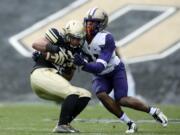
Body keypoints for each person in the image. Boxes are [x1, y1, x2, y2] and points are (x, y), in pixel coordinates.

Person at [73, 7, 168, 133]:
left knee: (122, 99)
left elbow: (100, 66)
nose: (89, 25)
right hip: (100, 75)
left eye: (93, 22)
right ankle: (130, 123)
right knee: (101, 93)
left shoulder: (107, 38)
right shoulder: (81, 38)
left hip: (114, 70)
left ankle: (153, 111)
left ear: (101, 24)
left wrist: (83, 64)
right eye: (87, 22)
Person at [30, 20, 91, 133]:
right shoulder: (57, 37)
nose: (76, 41)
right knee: (72, 92)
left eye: (79, 39)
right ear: (67, 35)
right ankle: (62, 125)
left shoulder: (75, 53)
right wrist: (53, 49)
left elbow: (67, 78)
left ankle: (64, 123)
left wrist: (70, 65)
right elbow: (35, 44)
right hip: (41, 73)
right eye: (74, 38)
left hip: (52, 78)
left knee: (85, 94)